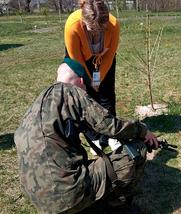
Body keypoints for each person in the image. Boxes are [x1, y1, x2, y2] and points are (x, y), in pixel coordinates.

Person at [14, 58, 158, 214]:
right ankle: (118, 205)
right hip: (68, 194)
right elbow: (109, 125)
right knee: (137, 149)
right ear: (81, 81)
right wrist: (143, 131)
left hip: (38, 197)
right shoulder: (71, 92)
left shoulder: (38, 102)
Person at [64, 0, 120, 149]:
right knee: (85, 95)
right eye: (92, 30)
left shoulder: (114, 25)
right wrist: (90, 81)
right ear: (83, 21)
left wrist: (99, 78)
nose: (96, 34)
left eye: (101, 30)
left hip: (103, 59)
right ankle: (92, 136)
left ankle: (109, 134)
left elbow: (109, 56)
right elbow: (78, 61)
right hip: (80, 58)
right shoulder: (72, 25)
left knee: (107, 94)